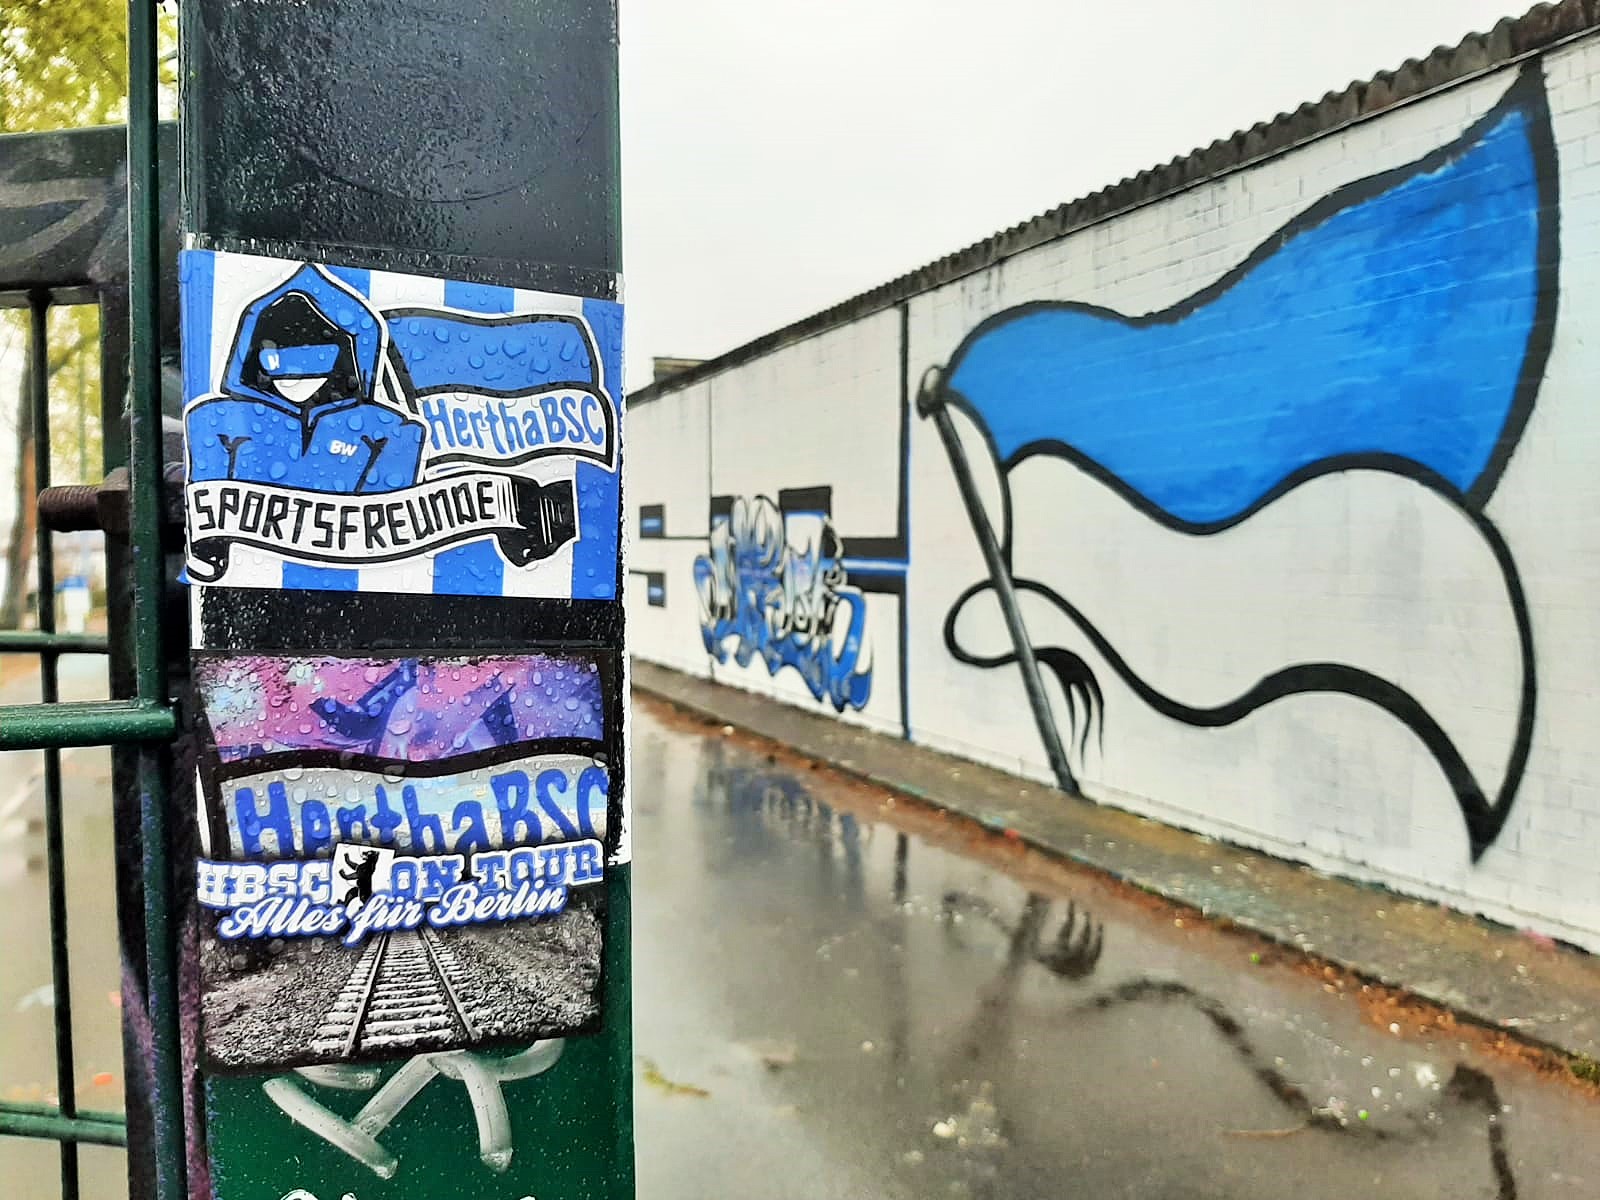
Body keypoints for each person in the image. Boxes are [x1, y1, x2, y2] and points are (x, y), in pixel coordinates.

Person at [186, 264, 424, 494]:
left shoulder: (386, 431)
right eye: (273, 358)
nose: (292, 374)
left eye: (316, 358)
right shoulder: (216, 420)